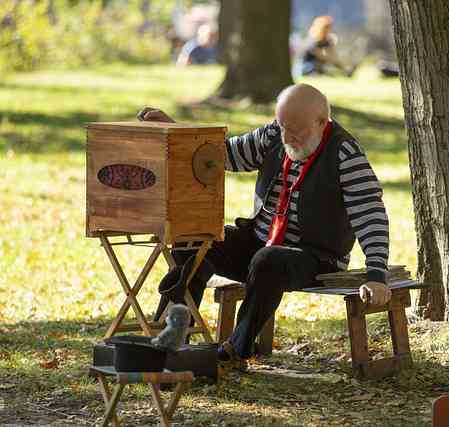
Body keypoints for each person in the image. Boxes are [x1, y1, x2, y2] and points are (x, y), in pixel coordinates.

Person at [138, 83, 391, 366]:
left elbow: (370, 214)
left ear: (322, 122)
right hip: (262, 242)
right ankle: (171, 333)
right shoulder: (275, 134)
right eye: (283, 127)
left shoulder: (345, 153)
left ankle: (236, 350)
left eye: (297, 130)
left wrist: (376, 275)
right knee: (193, 240)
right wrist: (179, 132)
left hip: (316, 256)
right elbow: (225, 154)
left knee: (269, 260)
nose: (288, 136)